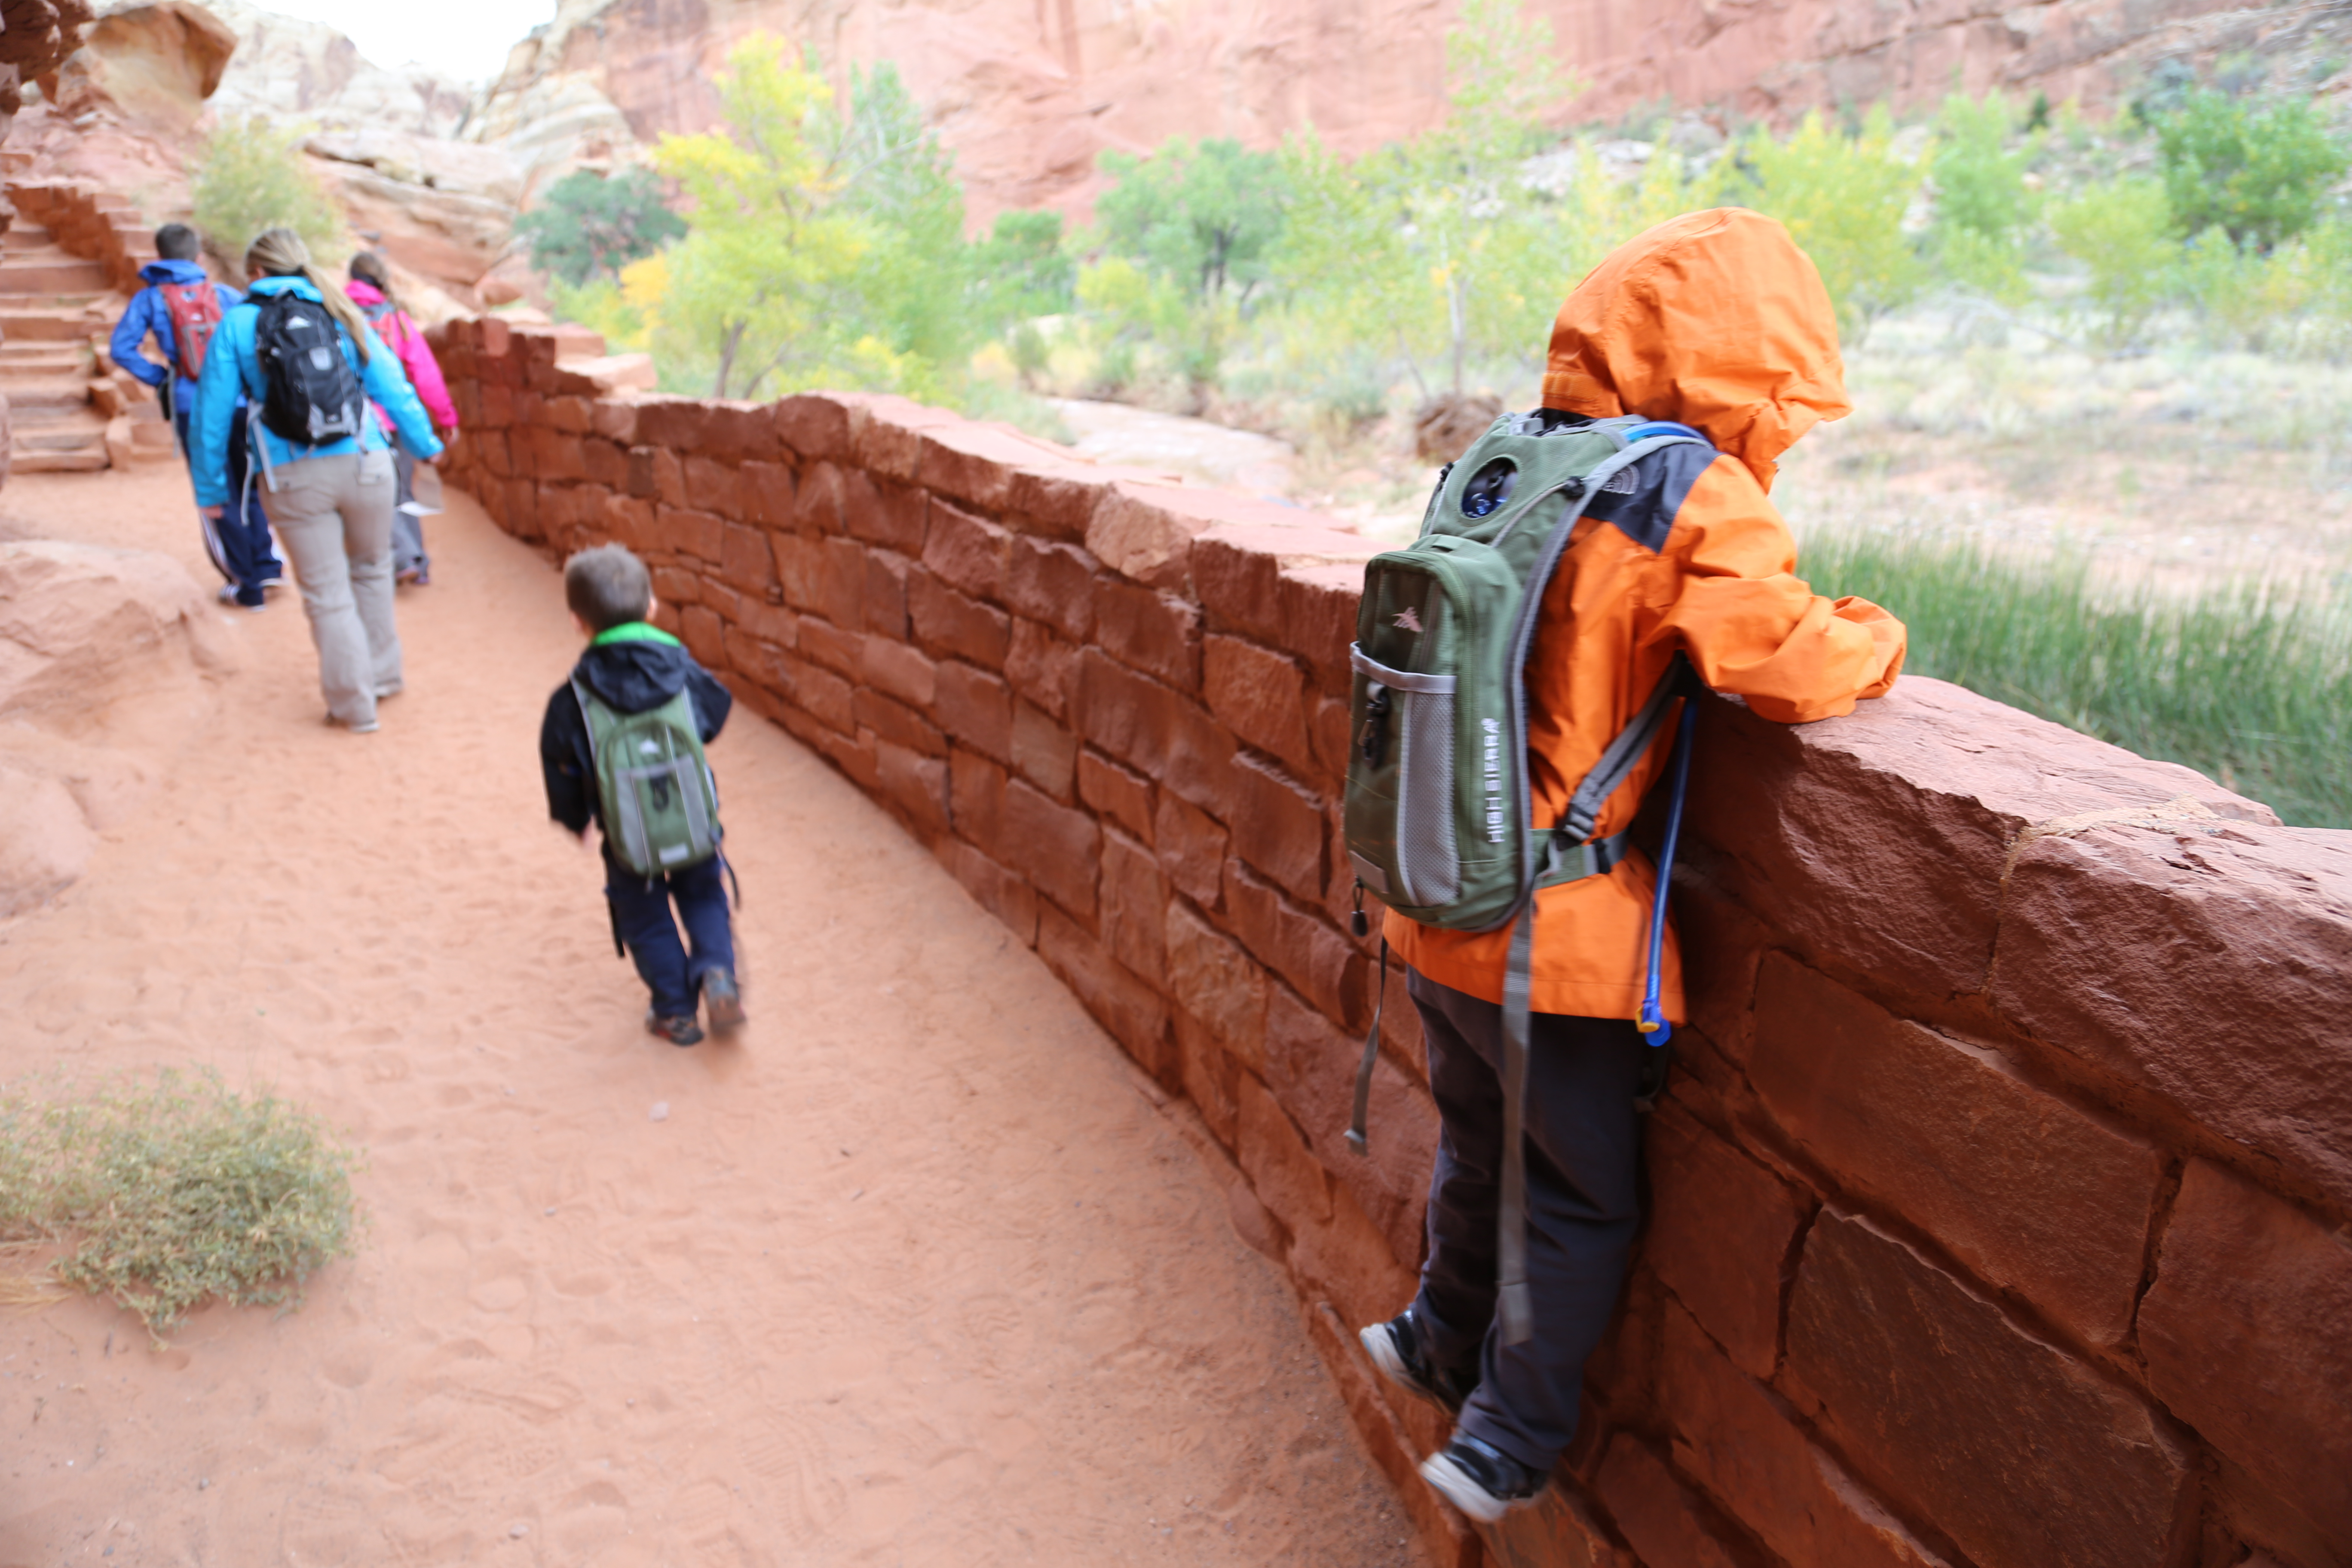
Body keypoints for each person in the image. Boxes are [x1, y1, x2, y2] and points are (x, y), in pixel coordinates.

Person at [1355, 208, 1908, 1522]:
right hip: (1560, 941)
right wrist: (1878, 636)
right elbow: (1780, 663)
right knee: (1579, 1199)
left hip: (1433, 896)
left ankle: (1437, 1333)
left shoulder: (1501, 454)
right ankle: (1502, 1439)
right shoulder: (1685, 496)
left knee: (1478, 1146)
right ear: (1746, 365)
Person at [191, 227, 444, 735]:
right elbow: (392, 385)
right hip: (368, 462)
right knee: (372, 570)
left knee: (328, 592)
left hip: (292, 474)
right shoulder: (341, 311)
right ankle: (384, 678)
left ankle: (355, 707)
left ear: (257, 274)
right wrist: (427, 445)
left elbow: (210, 420)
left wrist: (212, 490)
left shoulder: (239, 324)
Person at [539, 544, 746, 1047]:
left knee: (645, 915)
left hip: (628, 837)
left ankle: (675, 1013)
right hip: (694, 822)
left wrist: (576, 819)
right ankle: (718, 973)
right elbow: (714, 716)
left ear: (576, 621)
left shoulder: (572, 698)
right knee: (703, 894)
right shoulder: (680, 668)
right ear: (650, 606)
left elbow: (560, 765)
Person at [109, 222, 283, 609]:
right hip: (240, 405)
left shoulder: (151, 299)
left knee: (215, 493)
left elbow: (122, 348)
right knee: (249, 486)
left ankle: (246, 585)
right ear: (198, 257)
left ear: (160, 257)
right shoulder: (225, 295)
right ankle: (267, 564)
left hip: (194, 409)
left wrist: (162, 378)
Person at [343, 251, 458, 585]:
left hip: (355, 423)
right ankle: (417, 564)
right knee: (403, 493)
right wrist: (446, 418)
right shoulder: (395, 318)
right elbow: (425, 374)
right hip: (395, 422)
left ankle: (396, 559)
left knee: (368, 495)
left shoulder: (334, 313)